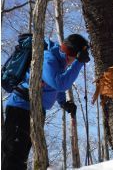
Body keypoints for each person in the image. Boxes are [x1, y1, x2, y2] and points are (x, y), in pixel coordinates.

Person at [1, 34, 90, 170]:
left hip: (34, 110)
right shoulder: (47, 58)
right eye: (75, 57)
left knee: (21, 156)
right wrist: (79, 63)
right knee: (14, 155)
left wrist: (63, 103)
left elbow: (55, 86)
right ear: (71, 53)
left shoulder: (59, 63)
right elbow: (59, 83)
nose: (73, 62)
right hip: (20, 108)